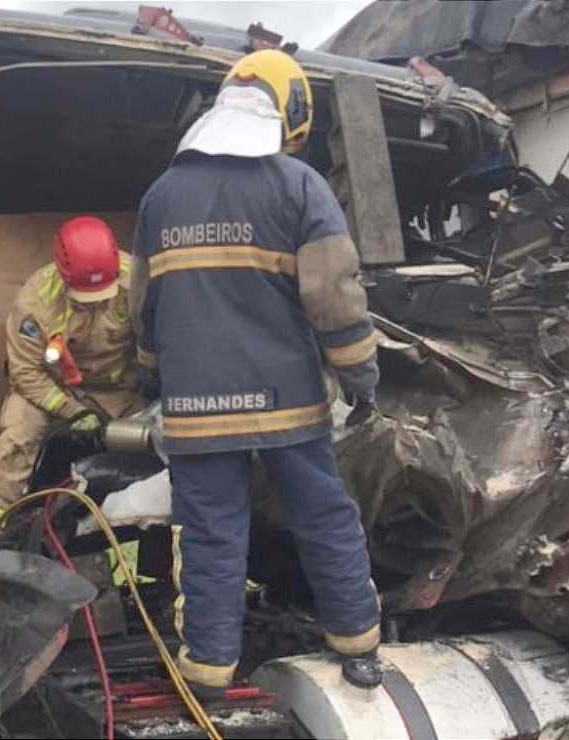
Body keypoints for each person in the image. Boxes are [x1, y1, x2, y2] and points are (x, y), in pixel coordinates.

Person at [130, 49, 383, 696]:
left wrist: (151, 380)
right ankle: (356, 646)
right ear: (290, 108)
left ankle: (207, 674)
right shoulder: (297, 185)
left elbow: (145, 308)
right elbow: (333, 296)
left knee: (211, 537)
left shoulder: (161, 196)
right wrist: (360, 376)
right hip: (285, 405)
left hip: (194, 410)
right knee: (324, 518)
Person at [0, 216, 139, 530]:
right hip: (54, 391)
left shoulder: (139, 280)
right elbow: (27, 373)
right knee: (17, 438)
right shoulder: (36, 302)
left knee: (164, 440)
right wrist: (71, 410)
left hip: (122, 391)